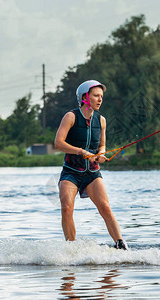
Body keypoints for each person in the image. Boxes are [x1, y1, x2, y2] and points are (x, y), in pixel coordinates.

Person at [54, 80, 128, 250]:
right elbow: (58, 143)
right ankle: (71, 249)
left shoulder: (101, 120)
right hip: (71, 172)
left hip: (92, 173)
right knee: (66, 208)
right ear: (85, 97)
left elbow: (102, 145)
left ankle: (121, 245)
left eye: (101, 96)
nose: (100, 99)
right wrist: (81, 151)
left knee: (106, 208)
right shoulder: (71, 117)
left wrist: (101, 154)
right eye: (96, 95)